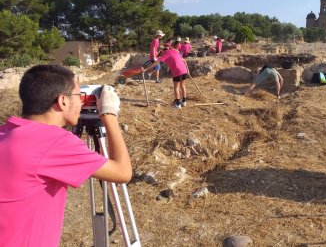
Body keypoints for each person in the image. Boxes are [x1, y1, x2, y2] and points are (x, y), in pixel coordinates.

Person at [0, 65, 131, 246]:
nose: (81, 102)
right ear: (62, 101)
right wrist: (109, 115)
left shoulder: (6, 132)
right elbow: (123, 172)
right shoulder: (54, 142)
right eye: (79, 96)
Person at [142, 41, 188, 109]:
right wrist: (187, 69)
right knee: (183, 86)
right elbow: (183, 60)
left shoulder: (166, 53)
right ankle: (184, 102)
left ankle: (178, 104)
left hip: (177, 71)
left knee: (176, 87)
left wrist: (146, 69)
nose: (161, 54)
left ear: (163, 50)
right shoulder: (175, 51)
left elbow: (157, 62)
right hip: (184, 70)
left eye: (161, 52)